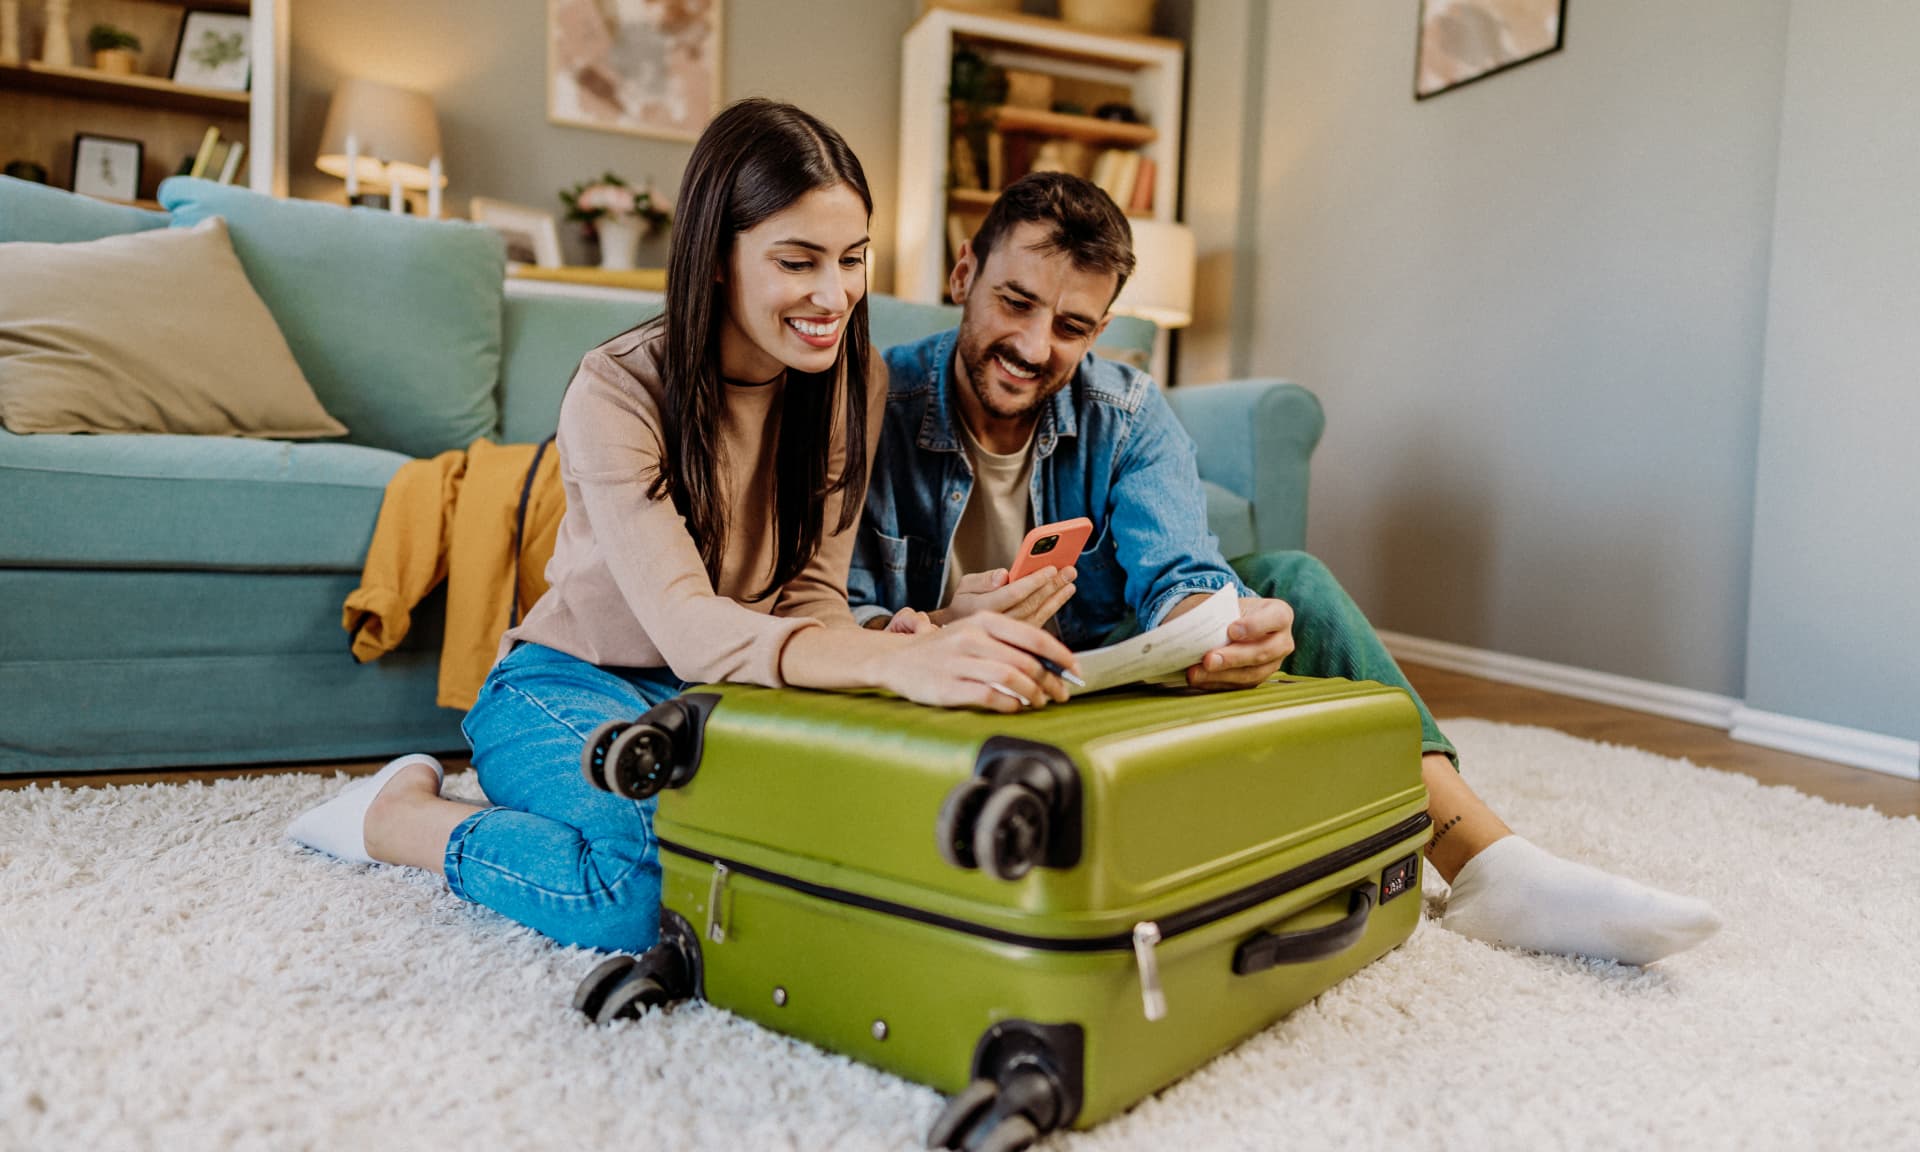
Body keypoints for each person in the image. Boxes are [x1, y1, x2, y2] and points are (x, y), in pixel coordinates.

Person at [848, 171, 1721, 967]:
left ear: (1102, 328)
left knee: (1290, 583)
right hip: (951, 691)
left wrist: (1219, 626)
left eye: (1072, 326)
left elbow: (1179, 569)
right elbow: (828, 608)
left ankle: (1491, 866)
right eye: (1015, 303)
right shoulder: (868, 402)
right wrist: (930, 627)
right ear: (964, 274)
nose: (1036, 346)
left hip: (1095, 670)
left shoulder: (1125, 409)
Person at [286, 100, 1080, 953]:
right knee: (640, 891)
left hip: (713, 698)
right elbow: (692, 627)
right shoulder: (617, 390)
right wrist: (896, 663)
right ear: (714, 261)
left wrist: (911, 634)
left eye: (852, 259)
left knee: (841, 837)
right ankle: (399, 817)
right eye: (797, 260)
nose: (834, 293)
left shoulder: (853, 383)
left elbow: (810, 594)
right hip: (567, 686)